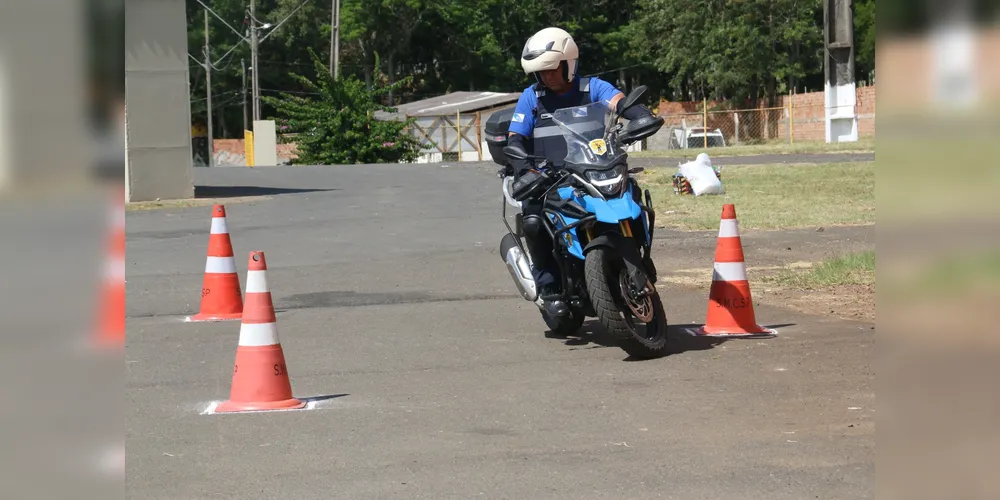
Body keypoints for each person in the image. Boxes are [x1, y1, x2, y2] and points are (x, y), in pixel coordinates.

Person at [506, 26, 657, 317]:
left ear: (569, 64)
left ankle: (638, 259)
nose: (547, 76)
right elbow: (516, 137)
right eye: (542, 72)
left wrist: (641, 116)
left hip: (594, 167)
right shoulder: (531, 96)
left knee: (631, 195)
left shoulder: (594, 88)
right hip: (551, 177)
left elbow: (621, 104)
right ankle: (549, 288)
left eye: (553, 69)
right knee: (535, 222)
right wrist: (524, 167)